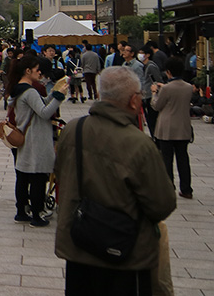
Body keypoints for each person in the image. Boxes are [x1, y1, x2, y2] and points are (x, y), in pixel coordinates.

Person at [54, 66, 177, 294]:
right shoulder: (139, 144)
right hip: (125, 252)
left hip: (79, 244)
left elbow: (62, 172)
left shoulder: (73, 130)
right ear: (133, 100)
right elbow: (162, 204)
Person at [5, 53, 67, 226]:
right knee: (38, 177)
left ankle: (21, 212)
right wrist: (60, 97)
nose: (40, 73)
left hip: (25, 136)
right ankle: (37, 215)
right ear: (27, 71)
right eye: (37, 70)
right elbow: (45, 112)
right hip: (36, 138)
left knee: (23, 176)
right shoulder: (30, 91)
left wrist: (55, 94)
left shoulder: (19, 88)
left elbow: (41, 104)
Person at [151, 57, 194, 199]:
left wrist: (154, 93)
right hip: (183, 127)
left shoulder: (166, 88)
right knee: (183, 158)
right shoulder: (188, 87)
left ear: (168, 72)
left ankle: (169, 187)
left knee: (166, 159)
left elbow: (157, 106)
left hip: (167, 128)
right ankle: (186, 189)